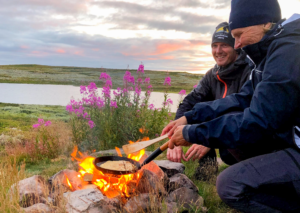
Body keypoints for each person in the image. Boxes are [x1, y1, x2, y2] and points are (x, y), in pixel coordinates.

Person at [163, 0, 300, 212]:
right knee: (231, 148)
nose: (236, 44)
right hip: (289, 139)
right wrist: (190, 117)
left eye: (238, 35)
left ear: (264, 22)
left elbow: (257, 121)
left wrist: (193, 133)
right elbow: (242, 98)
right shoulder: (270, 53)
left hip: (292, 143)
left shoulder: (289, 52)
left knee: (230, 186)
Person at [167, 22, 251, 177]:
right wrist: (175, 135)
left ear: (236, 47)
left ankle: (251, 173)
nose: (218, 51)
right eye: (214, 46)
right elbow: (189, 102)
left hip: (246, 139)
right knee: (197, 111)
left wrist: (208, 137)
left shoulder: (249, 71)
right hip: (224, 138)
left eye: (224, 45)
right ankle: (207, 171)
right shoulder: (212, 75)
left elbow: (244, 115)